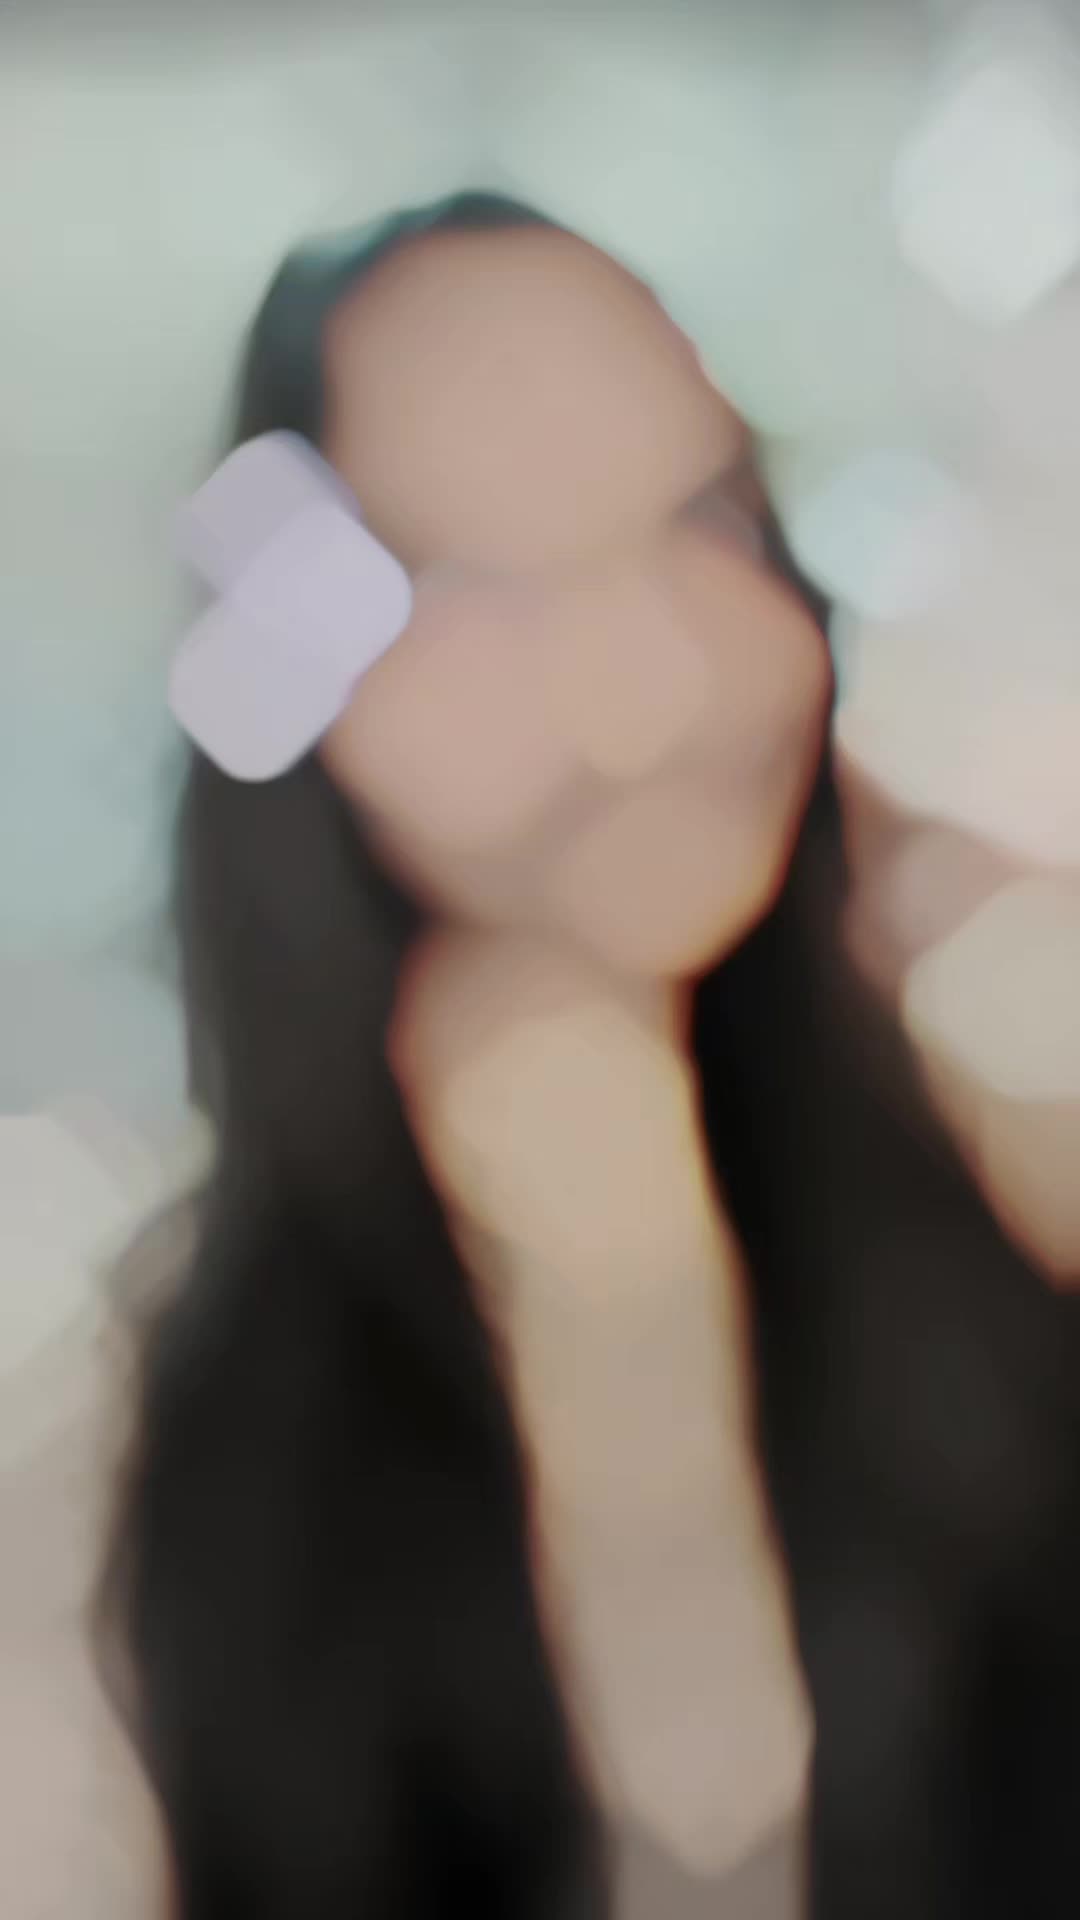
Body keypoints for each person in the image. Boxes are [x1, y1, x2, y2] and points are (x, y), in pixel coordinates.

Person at [99, 191, 1080, 1920]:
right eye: (483, 581)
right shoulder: (141, 1426)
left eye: (700, 522)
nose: (650, 682)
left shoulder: (989, 1151)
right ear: (291, 652)